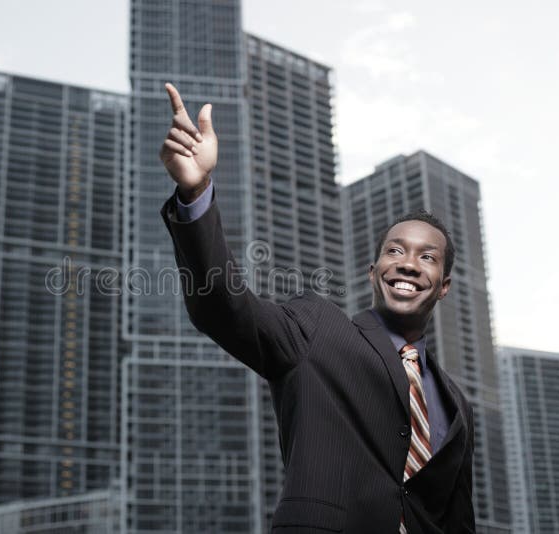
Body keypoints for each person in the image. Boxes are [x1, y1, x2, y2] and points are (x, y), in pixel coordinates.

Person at [158, 83, 475, 533]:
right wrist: (195, 193)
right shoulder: (316, 329)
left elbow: (458, 520)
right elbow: (224, 307)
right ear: (372, 270)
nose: (407, 264)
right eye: (395, 251)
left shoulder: (456, 402)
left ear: (442, 286)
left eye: (426, 257)